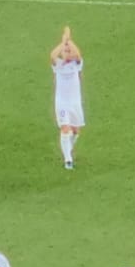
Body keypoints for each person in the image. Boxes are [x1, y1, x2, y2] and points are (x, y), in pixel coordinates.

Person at [50, 28, 84, 169]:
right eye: (65, 51)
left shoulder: (76, 64)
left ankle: (68, 150)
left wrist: (69, 41)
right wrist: (63, 43)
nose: (68, 53)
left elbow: (78, 54)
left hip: (75, 102)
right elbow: (52, 55)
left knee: (75, 131)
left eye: (69, 51)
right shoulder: (57, 65)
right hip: (62, 102)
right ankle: (68, 160)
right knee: (65, 129)